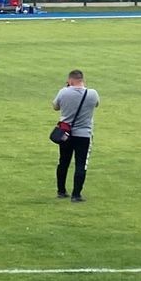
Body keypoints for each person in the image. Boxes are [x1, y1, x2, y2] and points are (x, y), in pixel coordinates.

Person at [53, 70, 100, 203]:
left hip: (66, 134)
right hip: (84, 134)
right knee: (81, 164)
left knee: (63, 161)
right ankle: (76, 194)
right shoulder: (92, 93)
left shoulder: (63, 92)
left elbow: (55, 106)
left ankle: (61, 191)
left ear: (70, 80)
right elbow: (96, 104)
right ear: (82, 80)